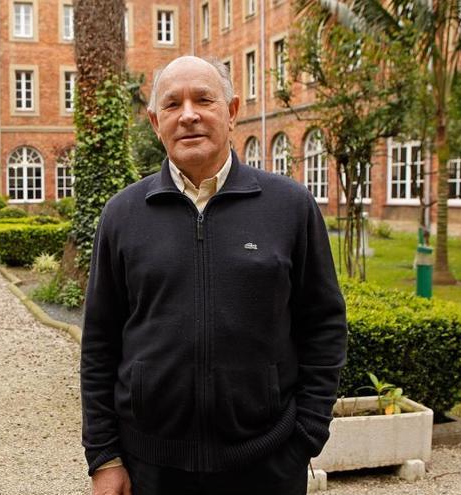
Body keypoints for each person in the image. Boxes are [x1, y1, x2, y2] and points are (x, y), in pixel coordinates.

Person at [80, 55, 347, 495]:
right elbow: (99, 344)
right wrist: (104, 457)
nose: (189, 115)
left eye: (204, 99)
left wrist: (307, 434)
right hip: (150, 467)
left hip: (267, 465)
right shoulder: (122, 214)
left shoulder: (290, 206)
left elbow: (323, 323)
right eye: (172, 105)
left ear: (232, 110)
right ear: (154, 121)